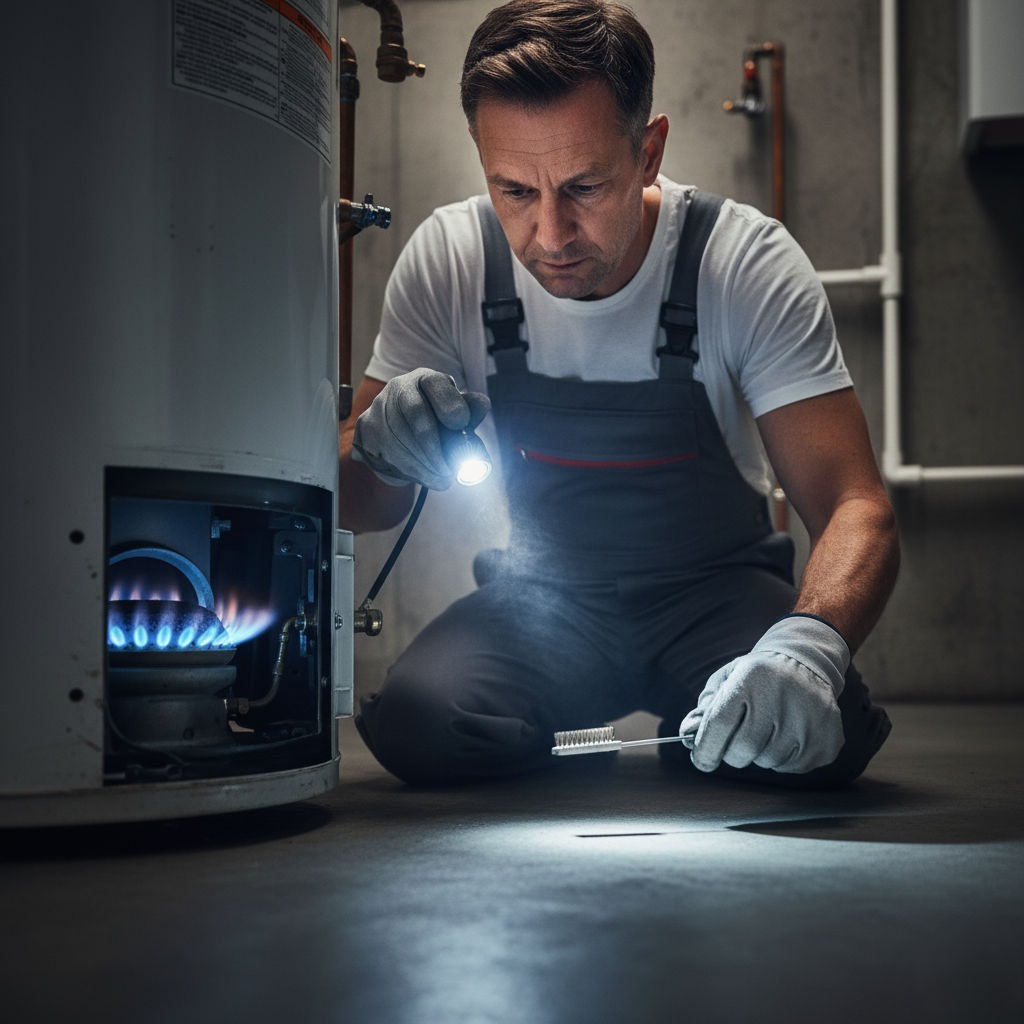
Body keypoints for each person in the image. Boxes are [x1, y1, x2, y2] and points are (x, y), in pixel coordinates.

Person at [338, 0, 899, 788]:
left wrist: (808, 648)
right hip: (542, 605)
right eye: (514, 190)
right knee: (420, 726)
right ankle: (621, 737)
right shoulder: (450, 259)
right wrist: (375, 447)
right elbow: (366, 506)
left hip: (718, 600)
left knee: (813, 738)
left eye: (585, 185)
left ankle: (711, 716)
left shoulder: (743, 262)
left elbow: (856, 505)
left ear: (650, 149)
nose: (551, 235)